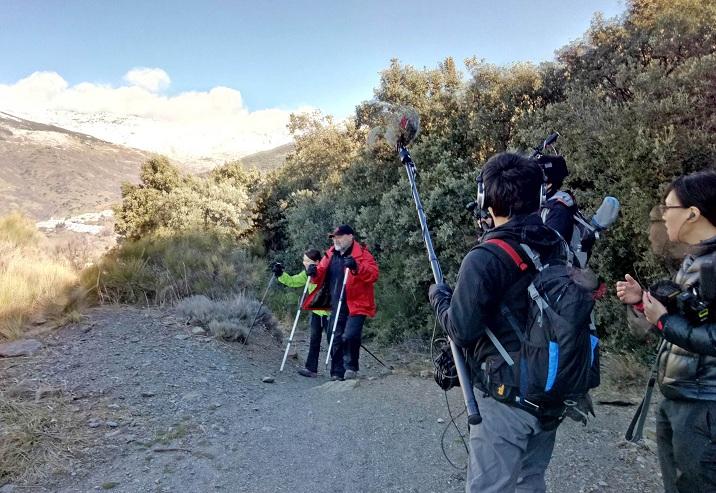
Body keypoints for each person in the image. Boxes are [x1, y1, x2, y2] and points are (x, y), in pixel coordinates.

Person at [429, 153, 565, 493]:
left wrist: (439, 298)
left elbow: (461, 328)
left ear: (485, 201)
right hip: (551, 389)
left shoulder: (485, 258)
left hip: (506, 397)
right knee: (529, 480)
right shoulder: (555, 244)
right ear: (539, 198)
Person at [616, 170, 716, 493]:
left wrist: (662, 321)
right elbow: (683, 315)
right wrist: (643, 301)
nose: (662, 216)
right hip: (680, 398)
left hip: (704, 408)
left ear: (692, 213)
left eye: (667, 208)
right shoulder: (695, 259)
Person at [302, 225, 379, 381]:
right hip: (337, 302)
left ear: (350, 237)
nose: (336, 239)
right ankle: (337, 372)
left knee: (350, 335)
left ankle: (351, 367)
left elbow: (373, 275)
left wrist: (357, 267)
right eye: (334, 237)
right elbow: (320, 272)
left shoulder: (363, 254)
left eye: (339, 236)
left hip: (358, 303)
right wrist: (313, 272)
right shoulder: (331, 254)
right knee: (333, 336)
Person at [272, 249, 330, 378]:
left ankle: (339, 371)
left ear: (317, 261)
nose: (304, 263)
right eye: (304, 260)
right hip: (316, 312)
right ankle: (311, 369)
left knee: (333, 341)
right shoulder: (308, 273)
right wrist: (280, 274)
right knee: (314, 340)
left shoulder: (325, 272)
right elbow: (293, 281)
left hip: (329, 312)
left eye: (307, 261)